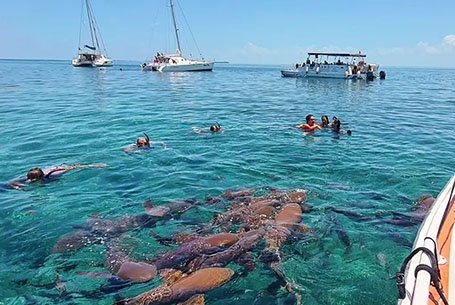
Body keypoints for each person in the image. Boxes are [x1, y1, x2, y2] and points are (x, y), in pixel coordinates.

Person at [7, 164, 107, 190]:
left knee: (70, 168)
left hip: (58, 169)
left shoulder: (53, 175)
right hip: (48, 169)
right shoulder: (28, 178)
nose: (31, 180)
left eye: (34, 179)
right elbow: (11, 182)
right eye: (30, 178)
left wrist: (94, 166)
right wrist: (17, 187)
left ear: (41, 177)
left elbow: (73, 168)